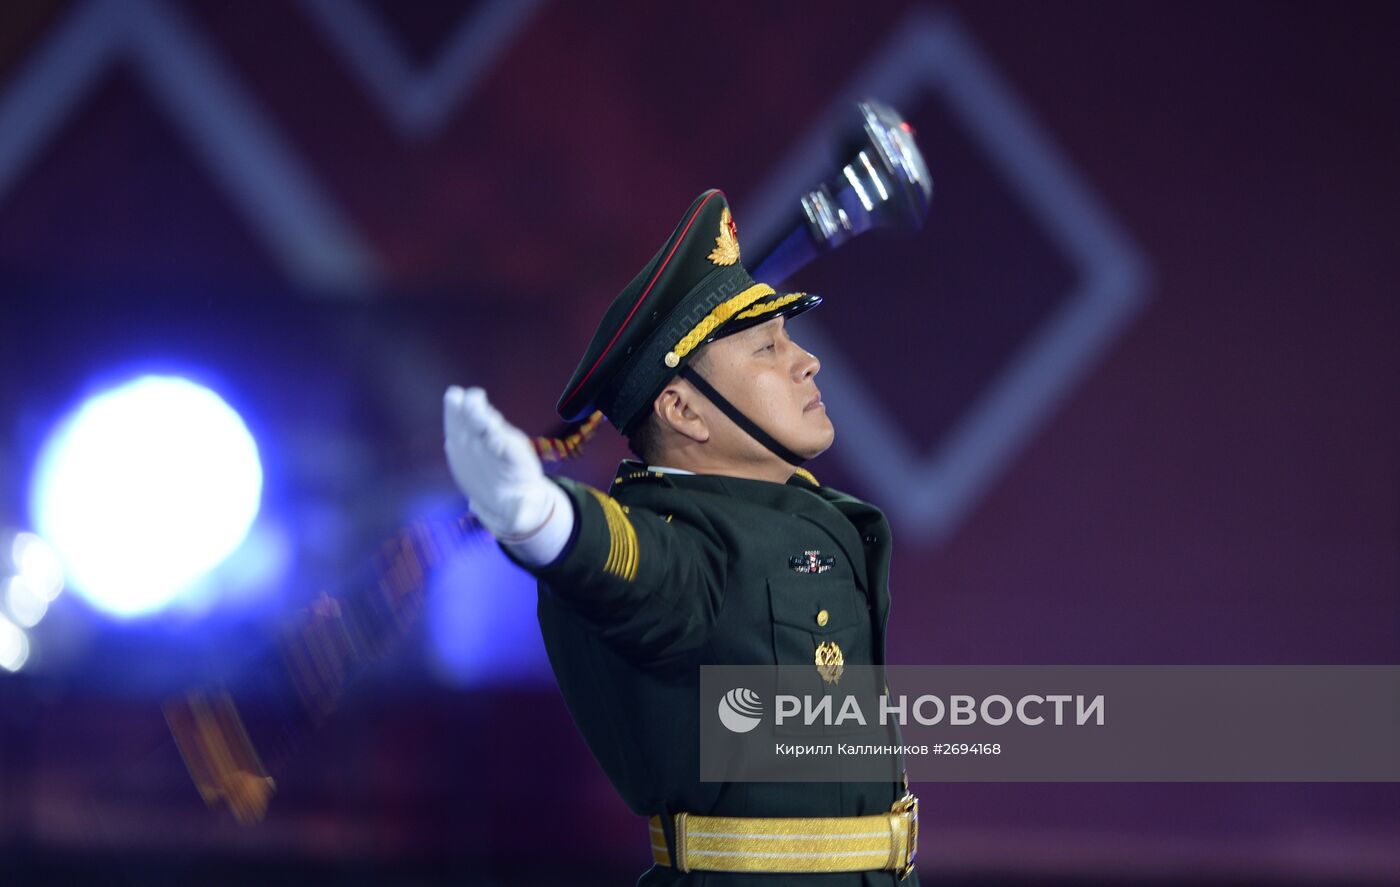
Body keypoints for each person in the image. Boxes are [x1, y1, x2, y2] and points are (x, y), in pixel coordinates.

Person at [443, 189, 918, 885]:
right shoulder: (685, 538)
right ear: (684, 408)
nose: (806, 363)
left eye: (789, 339)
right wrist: (539, 515)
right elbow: (634, 568)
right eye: (767, 347)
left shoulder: (789, 509)